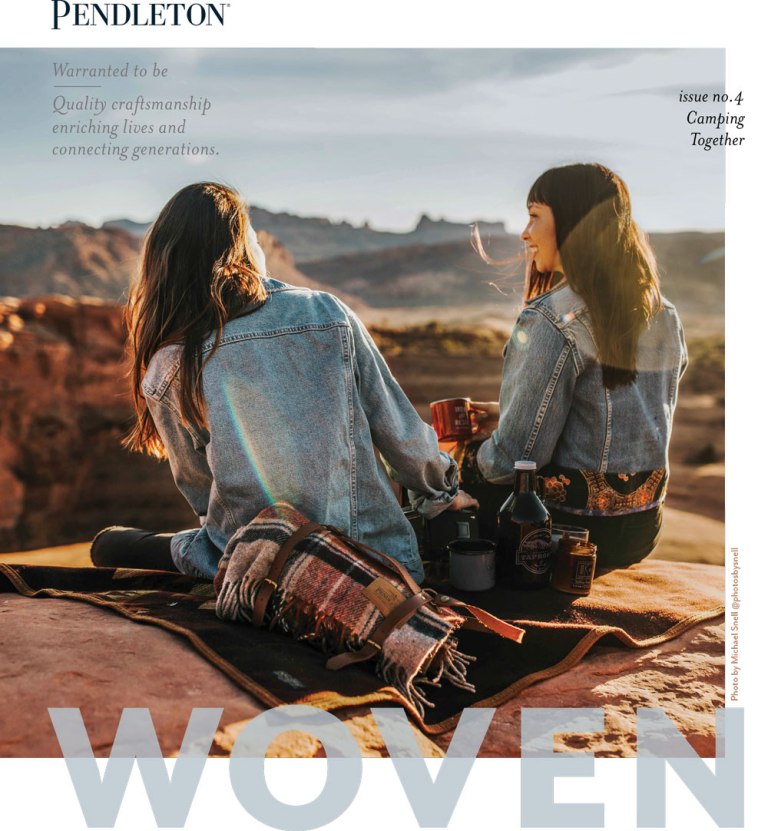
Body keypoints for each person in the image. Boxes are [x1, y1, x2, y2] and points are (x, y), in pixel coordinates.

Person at [91, 182, 476, 581]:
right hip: (373, 561)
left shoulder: (169, 365)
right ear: (242, 247)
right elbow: (400, 434)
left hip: (260, 572)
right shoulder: (327, 313)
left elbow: (203, 497)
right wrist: (443, 493)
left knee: (111, 544)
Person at [462, 163, 687, 567]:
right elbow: (626, 411)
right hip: (642, 529)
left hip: (565, 532)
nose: (524, 233)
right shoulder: (664, 312)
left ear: (573, 223)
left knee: (440, 487)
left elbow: (515, 458)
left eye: (534, 216)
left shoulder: (551, 319)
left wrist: (457, 461)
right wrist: (504, 414)